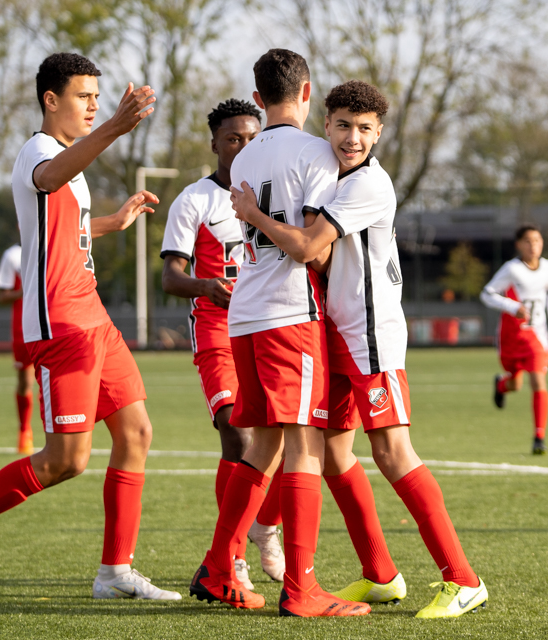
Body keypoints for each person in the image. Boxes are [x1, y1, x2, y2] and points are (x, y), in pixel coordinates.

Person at [0, 52, 181, 601]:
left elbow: (62, 230)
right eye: (83, 96)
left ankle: (115, 572)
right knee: (66, 460)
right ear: (50, 99)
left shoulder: (68, 162)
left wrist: (113, 221)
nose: (93, 106)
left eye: (98, 98)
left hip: (94, 316)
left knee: (137, 433)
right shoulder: (39, 151)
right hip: (61, 323)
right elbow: (50, 178)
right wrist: (116, 127)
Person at [230, 79, 489, 618]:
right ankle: (381, 575)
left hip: (370, 336)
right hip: (338, 334)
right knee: (332, 455)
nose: (352, 138)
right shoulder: (332, 177)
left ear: (379, 133)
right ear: (324, 125)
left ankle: (463, 580)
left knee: (393, 453)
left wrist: (253, 215)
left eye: (365, 129)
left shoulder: (368, 184)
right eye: (344, 125)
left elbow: (307, 248)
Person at [188, 49, 370, 618]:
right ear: (307, 92)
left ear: (258, 97)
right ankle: (302, 587)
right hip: (290, 314)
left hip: (244, 313)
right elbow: (312, 248)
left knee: (263, 445)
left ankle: (219, 567)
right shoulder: (317, 152)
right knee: (304, 443)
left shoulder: (244, 158)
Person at [160, 99, 285, 590]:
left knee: (290, 438)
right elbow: (171, 276)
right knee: (236, 432)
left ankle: (265, 527)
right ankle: (232, 556)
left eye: (252, 138)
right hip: (216, 328)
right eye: (233, 138)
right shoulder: (194, 200)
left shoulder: (278, 192)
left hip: (271, 323)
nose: (244, 146)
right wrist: (205, 286)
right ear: (215, 143)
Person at [481, 225, 548, 455]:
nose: (533, 245)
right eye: (528, 241)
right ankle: (501, 385)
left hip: (536, 336)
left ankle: (539, 437)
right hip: (511, 336)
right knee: (515, 385)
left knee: (538, 381)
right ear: (519, 245)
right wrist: (512, 306)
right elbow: (487, 293)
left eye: (537, 240)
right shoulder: (512, 269)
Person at [0, 242, 35, 454]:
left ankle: (57, 435)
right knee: (25, 381)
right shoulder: (12, 256)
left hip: (55, 323)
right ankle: (24, 430)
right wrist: (25, 291)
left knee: (54, 380)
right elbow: (2, 296)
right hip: (23, 328)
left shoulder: (53, 244)